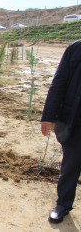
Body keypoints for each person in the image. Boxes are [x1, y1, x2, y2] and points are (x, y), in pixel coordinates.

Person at [41, 39, 81, 224]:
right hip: (76, 118)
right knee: (71, 164)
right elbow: (59, 83)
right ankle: (63, 204)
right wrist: (48, 116)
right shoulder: (75, 49)